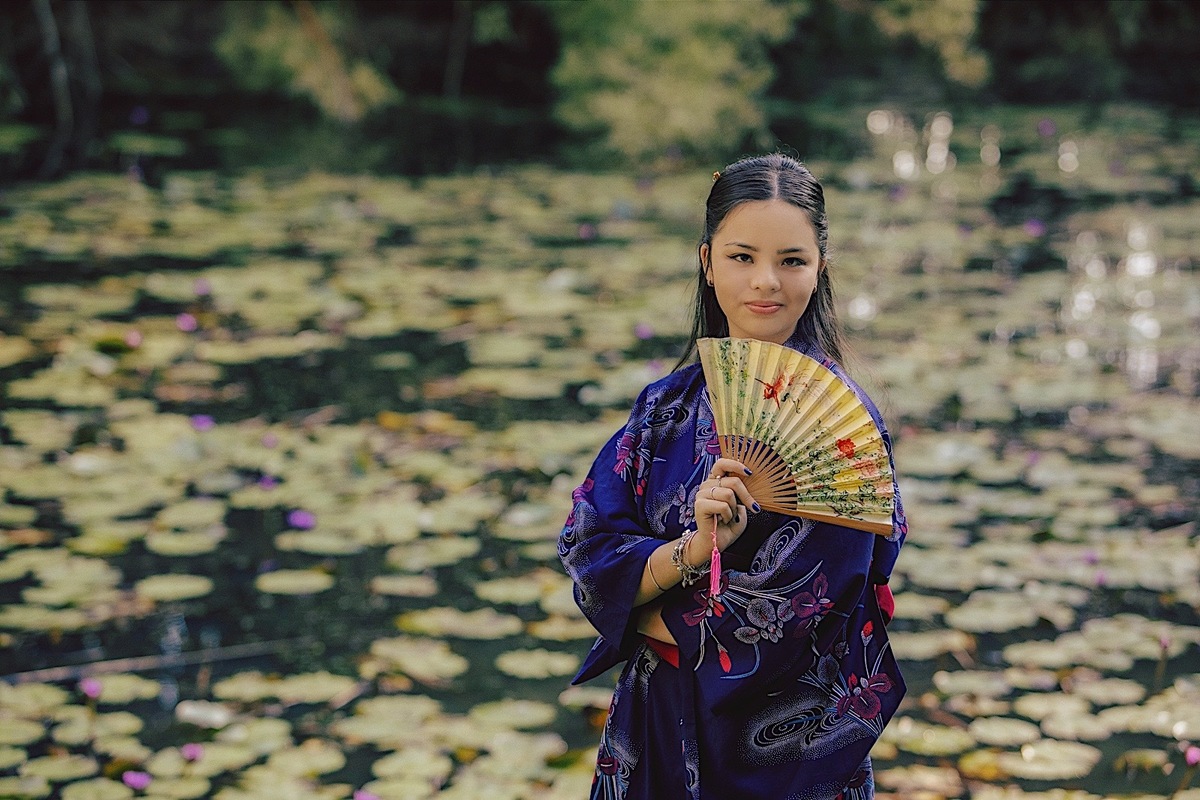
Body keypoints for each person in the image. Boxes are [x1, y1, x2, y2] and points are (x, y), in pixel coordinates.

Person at [558, 153, 908, 800]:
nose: (766, 282)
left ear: (820, 269)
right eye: (742, 257)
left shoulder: (842, 428)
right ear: (706, 262)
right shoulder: (664, 408)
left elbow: (809, 609)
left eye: (792, 261)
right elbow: (588, 545)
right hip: (657, 723)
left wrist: (641, 607)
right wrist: (694, 550)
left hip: (791, 744)